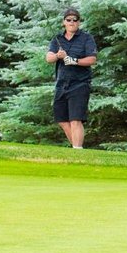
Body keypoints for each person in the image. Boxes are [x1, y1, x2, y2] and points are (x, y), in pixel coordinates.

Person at [45, 8, 97, 149]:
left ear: (79, 22)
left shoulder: (87, 38)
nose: (72, 22)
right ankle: (76, 148)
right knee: (62, 120)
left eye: (75, 20)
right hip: (61, 84)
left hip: (80, 83)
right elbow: (49, 58)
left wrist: (74, 60)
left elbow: (92, 59)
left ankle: (77, 151)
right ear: (64, 22)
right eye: (69, 20)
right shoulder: (57, 39)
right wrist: (58, 56)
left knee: (75, 119)